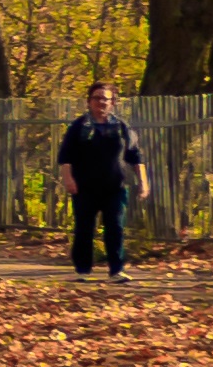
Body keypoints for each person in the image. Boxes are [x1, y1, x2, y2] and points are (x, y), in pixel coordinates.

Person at [53, 81, 153, 279]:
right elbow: (66, 157)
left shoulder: (122, 127)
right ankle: (83, 270)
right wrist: (69, 180)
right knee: (84, 229)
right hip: (84, 188)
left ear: (113, 102)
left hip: (114, 188)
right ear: (89, 102)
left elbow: (135, 156)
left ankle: (116, 270)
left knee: (115, 228)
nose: (101, 102)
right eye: (96, 98)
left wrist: (143, 182)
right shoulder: (79, 127)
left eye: (105, 99)